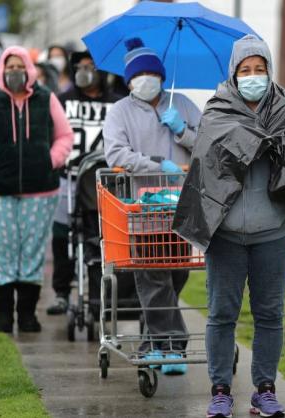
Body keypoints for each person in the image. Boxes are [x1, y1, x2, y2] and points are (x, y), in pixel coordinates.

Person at [173, 35, 285, 418]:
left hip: (274, 231)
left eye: (260, 70)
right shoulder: (218, 110)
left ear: (269, 72)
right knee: (222, 313)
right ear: (234, 74)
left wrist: (275, 146)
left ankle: (265, 389)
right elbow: (205, 165)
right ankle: (220, 388)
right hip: (226, 235)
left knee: (270, 314)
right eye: (246, 70)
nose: (253, 76)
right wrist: (246, 142)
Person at [103, 37, 201, 374]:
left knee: (175, 276)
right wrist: (159, 166)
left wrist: (183, 131)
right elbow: (116, 153)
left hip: (184, 209)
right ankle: (173, 345)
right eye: (137, 74)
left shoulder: (184, 105)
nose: (144, 79)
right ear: (128, 80)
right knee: (153, 277)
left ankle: (151, 343)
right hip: (142, 209)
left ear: (161, 74)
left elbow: (211, 146)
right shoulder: (120, 111)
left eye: (150, 72)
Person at [0, 46, 73, 333]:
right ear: (1, 69)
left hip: (40, 190)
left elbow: (64, 135)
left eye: (19, 66)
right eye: (9, 67)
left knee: (33, 252)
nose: (14, 72)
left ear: (29, 69)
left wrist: (50, 160)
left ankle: (27, 315)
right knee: (1, 250)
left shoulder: (46, 99)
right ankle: (3, 313)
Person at [46, 50, 126, 316]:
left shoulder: (118, 104)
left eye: (90, 66)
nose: (85, 71)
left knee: (98, 240)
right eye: (80, 66)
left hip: (105, 184)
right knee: (62, 237)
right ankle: (61, 292)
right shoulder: (61, 101)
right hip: (68, 178)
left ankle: (98, 297)